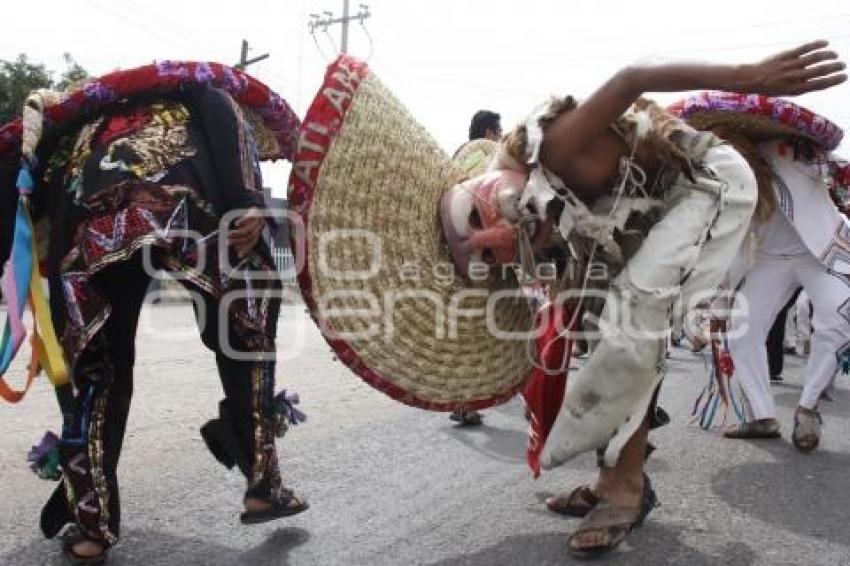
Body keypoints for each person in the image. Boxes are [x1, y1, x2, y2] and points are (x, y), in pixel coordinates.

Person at [440, 40, 845, 558]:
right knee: (597, 334)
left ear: (483, 181)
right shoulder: (545, 218)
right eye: (485, 257)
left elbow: (634, 76)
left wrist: (751, 75)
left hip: (709, 185)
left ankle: (624, 490)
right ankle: (619, 478)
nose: (493, 238)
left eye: (474, 219)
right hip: (647, 212)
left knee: (634, 322)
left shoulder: (556, 148)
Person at [6, 81, 308, 564]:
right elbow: (218, 109)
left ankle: (92, 523)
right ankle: (262, 483)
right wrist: (244, 197)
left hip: (87, 217)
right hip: (190, 203)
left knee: (94, 368)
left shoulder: (79, 128)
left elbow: (30, 184)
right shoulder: (209, 95)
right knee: (246, 335)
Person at [723, 138, 850, 452]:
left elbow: (835, 167)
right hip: (768, 261)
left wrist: (826, 162)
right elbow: (733, 239)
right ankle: (761, 415)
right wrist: (719, 299)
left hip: (818, 255)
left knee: (838, 316)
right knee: (742, 329)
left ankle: (808, 408)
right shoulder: (728, 170)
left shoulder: (799, 152)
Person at [448, 110, 503, 426]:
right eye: (498, 131)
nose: (500, 136)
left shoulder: (460, 158)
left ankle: (464, 401)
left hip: (460, 254)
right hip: (483, 257)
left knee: (468, 330)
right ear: (489, 132)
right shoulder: (486, 162)